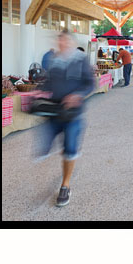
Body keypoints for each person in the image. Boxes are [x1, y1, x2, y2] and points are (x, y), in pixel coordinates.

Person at [36, 29, 97, 208]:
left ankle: (65, 185)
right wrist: (40, 89)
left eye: (66, 41)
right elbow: (48, 81)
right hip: (54, 111)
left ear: (72, 42)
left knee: (70, 150)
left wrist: (78, 95)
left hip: (73, 114)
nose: (63, 44)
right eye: (60, 41)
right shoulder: (53, 60)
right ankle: (52, 149)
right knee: (43, 148)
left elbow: (90, 84)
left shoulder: (81, 60)